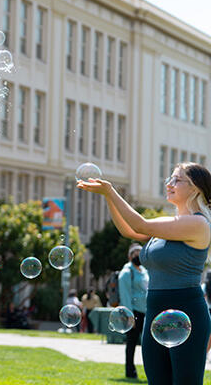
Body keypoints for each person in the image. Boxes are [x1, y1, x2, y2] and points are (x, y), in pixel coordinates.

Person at [78, 162, 211, 384]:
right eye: (170, 178)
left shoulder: (199, 224)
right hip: (155, 312)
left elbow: (140, 225)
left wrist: (111, 191)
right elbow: (129, 230)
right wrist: (108, 197)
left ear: (196, 188)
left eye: (177, 180)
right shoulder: (168, 223)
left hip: (188, 313)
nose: (169, 184)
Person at [118, 243, 148, 379]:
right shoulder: (126, 272)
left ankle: (151, 372)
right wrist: (129, 316)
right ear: (129, 256)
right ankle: (130, 372)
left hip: (146, 311)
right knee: (131, 343)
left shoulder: (144, 270)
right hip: (133, 312)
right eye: (134, 253)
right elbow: (125, 295)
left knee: (148, 344)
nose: (137, 255)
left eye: (139, 252)